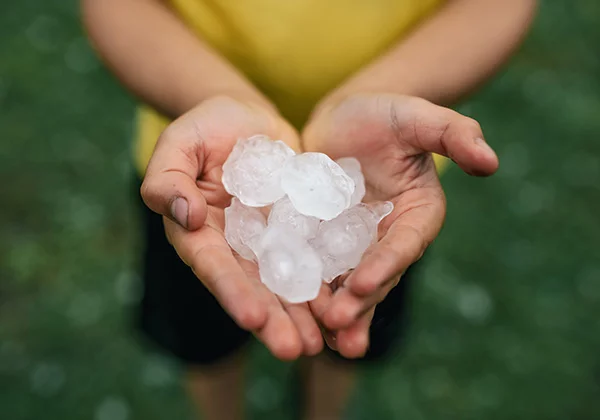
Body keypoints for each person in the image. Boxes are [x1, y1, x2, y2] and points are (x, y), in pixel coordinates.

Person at [82, 1, 537, 419]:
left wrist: (383, 90)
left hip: (386, 183)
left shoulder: (378, 204)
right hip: (201, 175)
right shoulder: (214, 190)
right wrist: (213, 94)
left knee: (351, 314)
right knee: (203, 337)